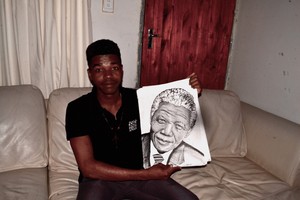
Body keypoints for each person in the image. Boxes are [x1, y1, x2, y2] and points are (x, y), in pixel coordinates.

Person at [65, 39, 201, 200]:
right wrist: (145, 174)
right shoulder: (77, 108)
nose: (108, 76)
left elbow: (173, 106)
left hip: (142, 179)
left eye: (114, 68)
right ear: (90, 74)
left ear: (122, 70)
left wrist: (191, 91)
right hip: (99, 181)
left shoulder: (140, 99)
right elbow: (88, 168)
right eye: (99, 70)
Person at [142, 88, 206, 168]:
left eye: (178, 126)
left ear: (188, 132)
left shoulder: (197, 159)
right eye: (161, 120)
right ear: (151, 118)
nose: (167, 132)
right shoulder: (128, 146)